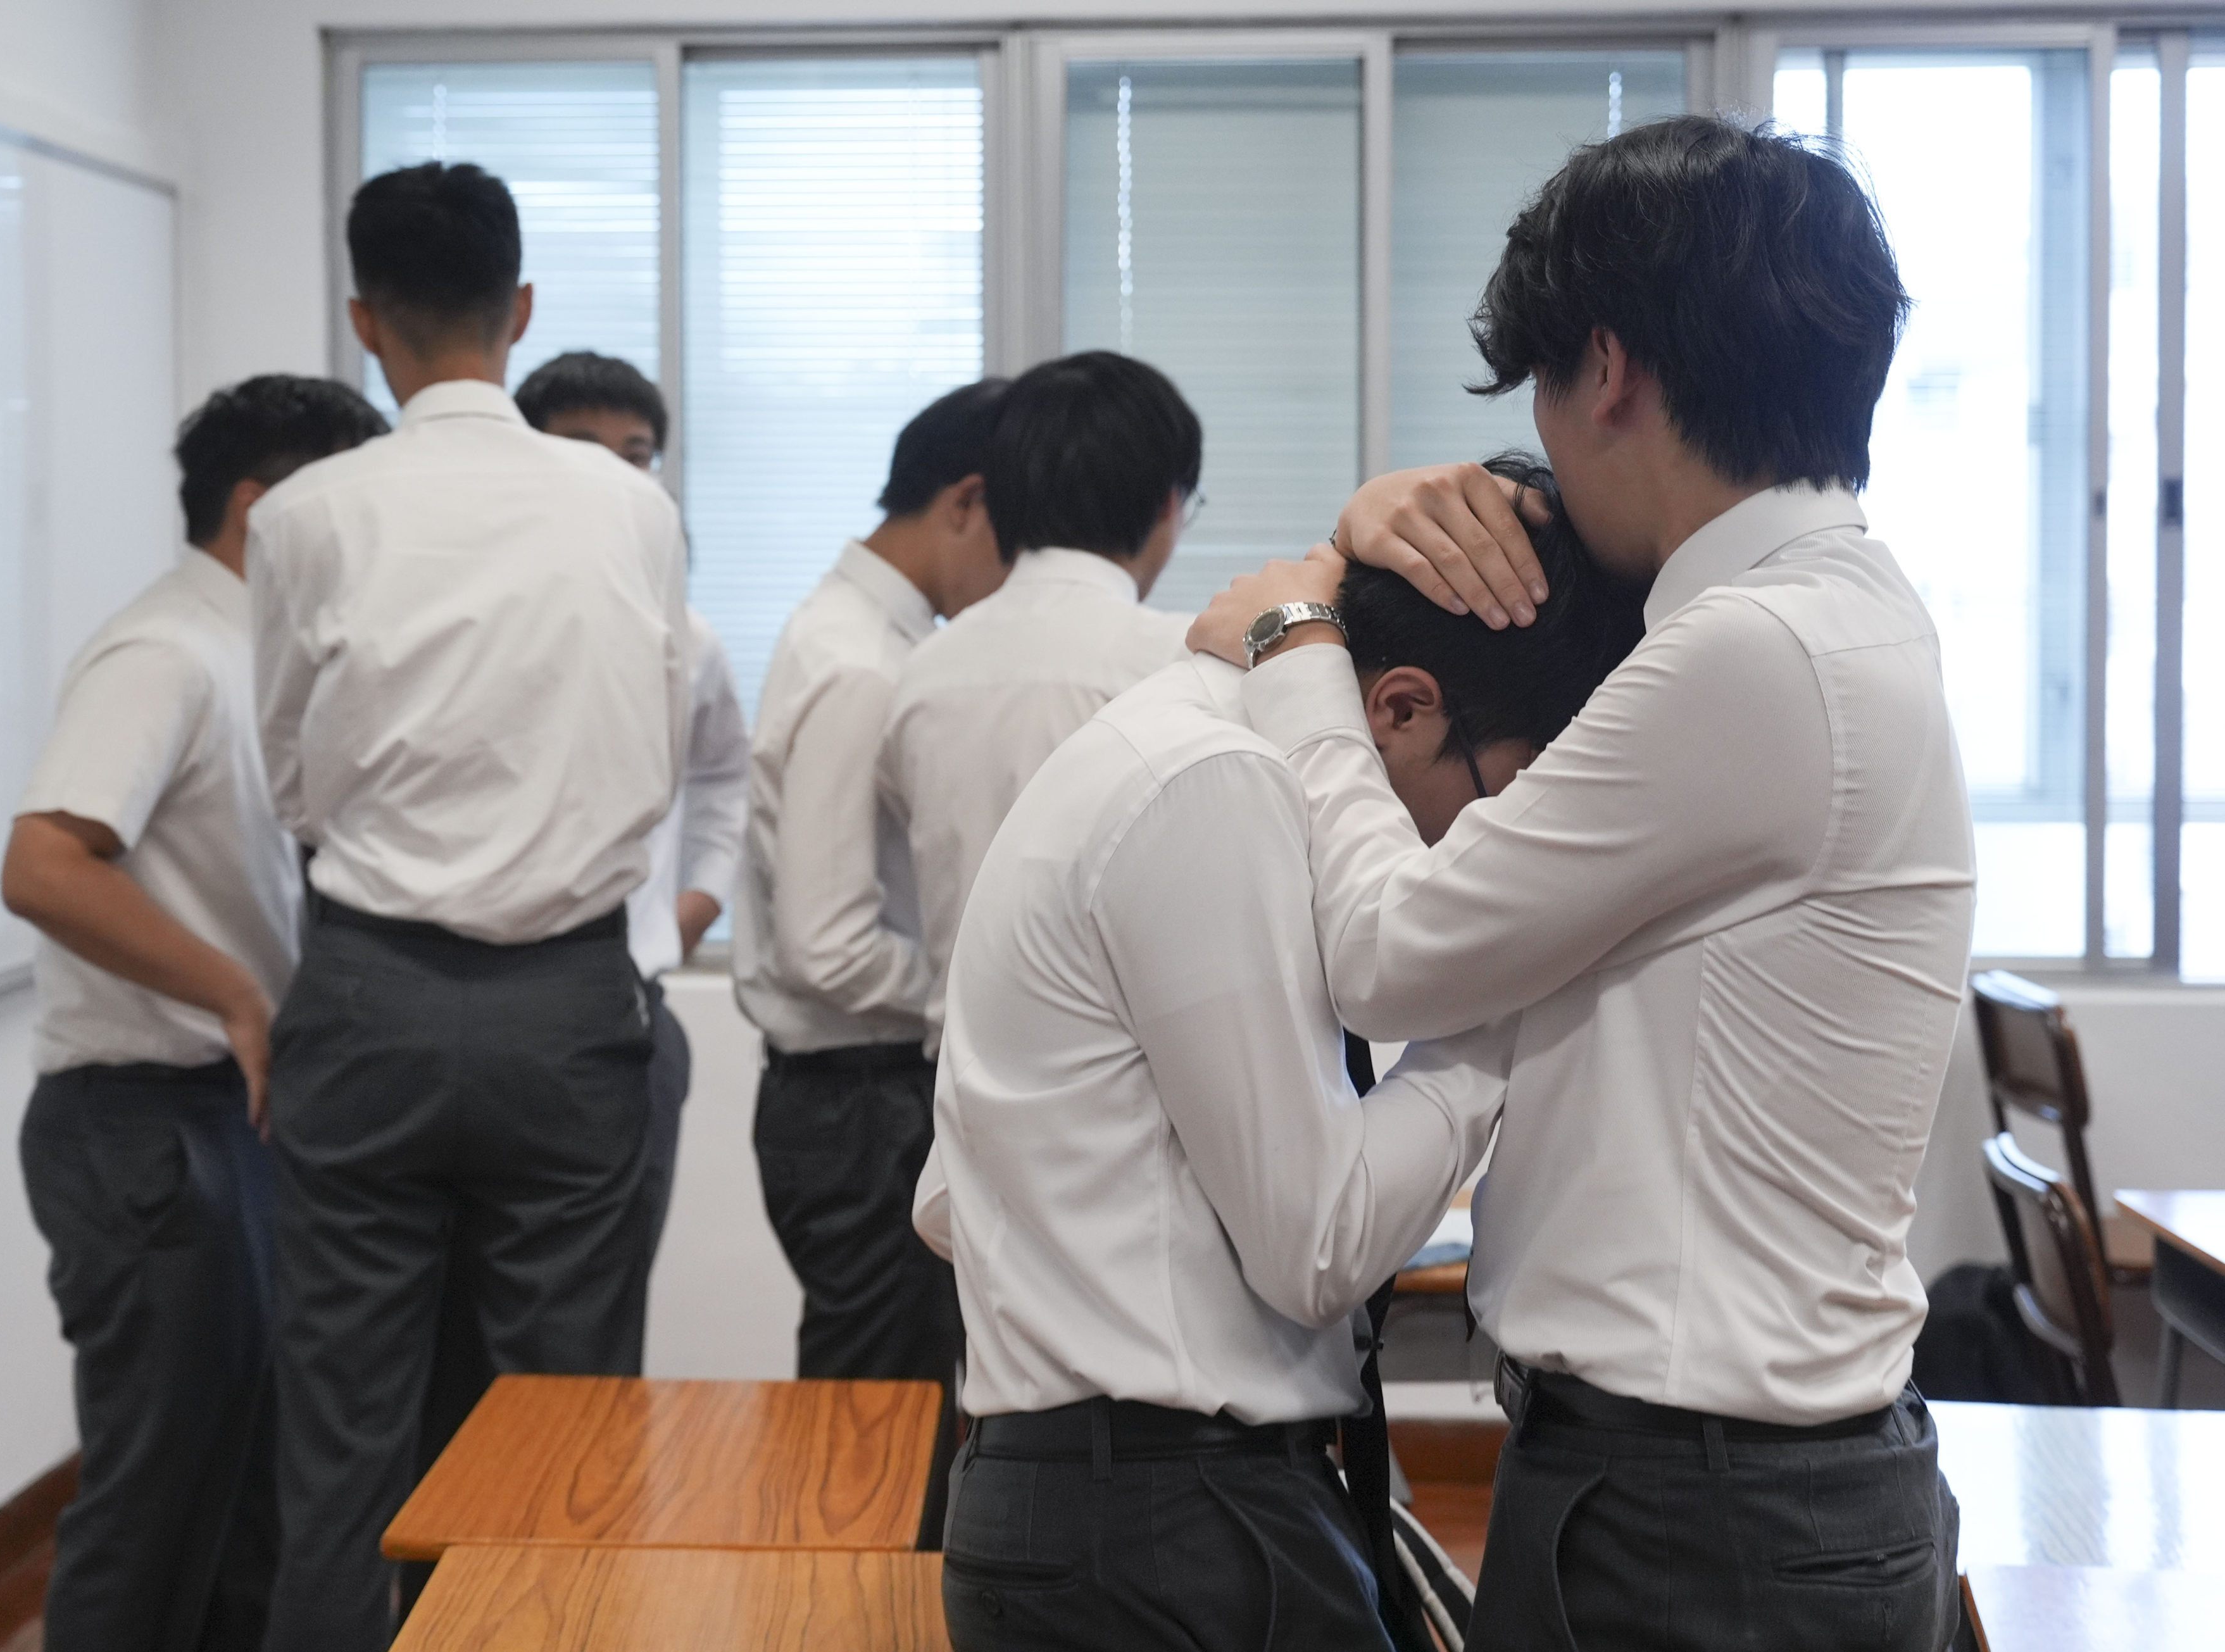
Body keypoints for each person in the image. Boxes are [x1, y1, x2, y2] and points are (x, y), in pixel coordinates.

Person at [1192, 116, 1973, 1651]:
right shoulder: (1814, 613)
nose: (1541, 453)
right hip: (1723, 1486)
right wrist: (1370, 537)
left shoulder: (1754, 653)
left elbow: (1390, 948)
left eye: (1542, 402)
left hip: (1703, 1512)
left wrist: (1299, 639)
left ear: (1605, 368)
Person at [918, 462, 1641, 1652]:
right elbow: (1318, 1246)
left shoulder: (1189, 743)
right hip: (1163, 1526)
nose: (1490, 852)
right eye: (1499, 801)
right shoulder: (1215, 786)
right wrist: (1511, 984)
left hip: (1134, 1504)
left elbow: (960, 1199)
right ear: (1399, 708)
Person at [251, 162, 691, 1652]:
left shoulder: (306, 513)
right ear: (519, 310)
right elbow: (658, 725)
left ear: (364, 319)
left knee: (339, 1442)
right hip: (569, 1004)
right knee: (561, 1428)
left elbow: (290, 777)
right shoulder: (628, 508)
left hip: (365, 991)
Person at [0, 374, 385, 1652]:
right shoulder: (164, 651)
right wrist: (233, 992)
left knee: (249, 1497)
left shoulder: (251, 648)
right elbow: (43, 865)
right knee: (158, 1499)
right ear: (260, 508)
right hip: (143, 1126)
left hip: (226, 1114)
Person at [731, 377, 1012, 1537]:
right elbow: (830, 945)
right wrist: (985, 1000)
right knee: (871, 1454)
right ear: (968, 503)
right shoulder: (861, 665)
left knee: (883, 1435)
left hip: (852, 1101)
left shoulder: (863, 636)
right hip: (859, 1104)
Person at [878, 351, 1196, 1057]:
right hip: (1120, 1085)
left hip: (953, 1079)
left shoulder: (921, 671)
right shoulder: (1182, 663)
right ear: (1168, 505)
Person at [515, 348, 750, 1255]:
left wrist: (688, 914)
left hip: (629, 1003)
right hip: (489, 1000)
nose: (618, 477)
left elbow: (726, 774)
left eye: (637, 454)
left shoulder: (687, 636)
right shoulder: (469, 617)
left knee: (598, 1325)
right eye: (584, 448)